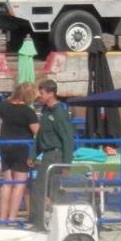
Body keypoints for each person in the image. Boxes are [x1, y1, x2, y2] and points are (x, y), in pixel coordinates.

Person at [0, 82, 39, 223]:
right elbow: (37, 132)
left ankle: (3, 218)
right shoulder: (28, 111)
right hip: (22, 147)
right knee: (19, 184)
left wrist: (0, 128)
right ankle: (12, 217)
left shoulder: (4, 106)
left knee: (7, 183)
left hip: (5, 145)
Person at [31, 79, 74, 230]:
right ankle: (44, 221)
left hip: (55, 156)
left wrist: (67, 164)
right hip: (46, 154)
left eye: (42, 93)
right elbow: (41, 135)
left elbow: (68, 139)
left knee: (42, 188)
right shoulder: (45, 111)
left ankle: (40, 224)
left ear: (51, 93)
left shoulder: (59, 113)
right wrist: (33, 154)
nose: (40, 96)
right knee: (43, 189)